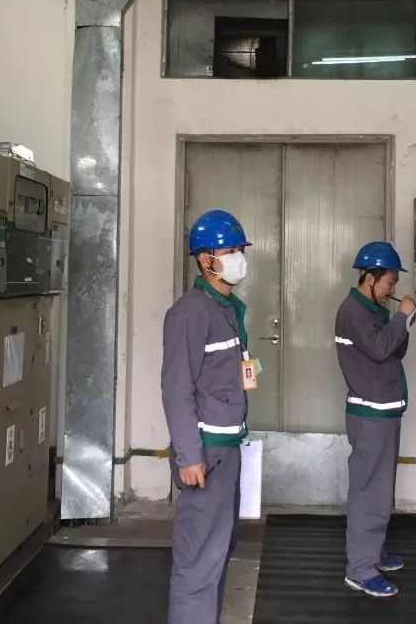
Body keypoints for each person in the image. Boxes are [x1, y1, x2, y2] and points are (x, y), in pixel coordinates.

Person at [162, 209, 257, 624]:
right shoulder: (190, 312)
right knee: (198, 558)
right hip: (205, 450)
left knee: (218, 550)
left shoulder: (226, 308)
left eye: (240, 250)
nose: (239, 258)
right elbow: (176, 388)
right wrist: (188, 456)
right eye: (230, 251)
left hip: (227, 446)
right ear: (205, 259)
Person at [335, 241, 416, 598]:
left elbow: (394, 350)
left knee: (380, 490)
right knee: (369, 492)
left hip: (383, 411)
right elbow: (381, 348)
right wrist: (401, 318)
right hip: (370, 414)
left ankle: (372, 551)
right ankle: (361, 569)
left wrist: (402, 322)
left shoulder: (372, 309)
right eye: (389, 282)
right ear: (369, 278)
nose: (392, 289)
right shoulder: (353, 310)